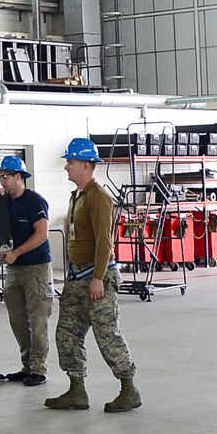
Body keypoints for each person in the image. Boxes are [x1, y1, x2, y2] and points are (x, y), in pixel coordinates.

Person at [45, 138, 142, 413]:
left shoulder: (98, 197)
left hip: (96, 277)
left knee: (107, 333)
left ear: (86, 165)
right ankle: (76, 390)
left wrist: (98, 277)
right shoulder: (78, 196)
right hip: (78, 278)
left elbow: (104, 242)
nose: (66, 167)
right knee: (67, 334)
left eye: (71, 162)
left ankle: (129, 388)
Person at [0, 155, 52, 387]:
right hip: (14, 269)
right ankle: (27, 365)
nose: (3, 181)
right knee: (18, 319)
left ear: (19, 177)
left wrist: (16, 253)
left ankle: (39, 369)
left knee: (38, 319)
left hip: (36, 267)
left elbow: (41, 234)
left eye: (6, 177)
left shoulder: (34, 202)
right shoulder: (5, 201)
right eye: (0, 177)